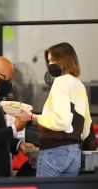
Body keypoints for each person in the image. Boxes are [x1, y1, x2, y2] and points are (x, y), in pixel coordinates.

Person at [13, 42, 97, 177]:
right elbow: (86, 125)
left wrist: (32, 117)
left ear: (64, 60)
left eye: (52, 60)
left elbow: (62, 122)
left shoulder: (61, 82)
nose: (50, 64)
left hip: (54, 151)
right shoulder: (79, 85)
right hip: (74, 153)